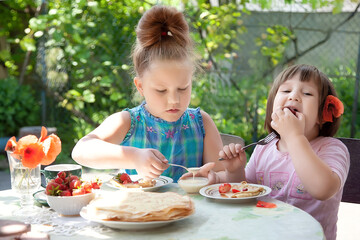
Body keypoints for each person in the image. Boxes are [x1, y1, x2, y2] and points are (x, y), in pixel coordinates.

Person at [188, 64, 350, 240]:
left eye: (307, 93)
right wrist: (234, 171)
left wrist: (295, 136)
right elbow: (246, 193)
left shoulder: (331, 149)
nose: (294, 96)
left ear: (322, 114)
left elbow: (323, 189)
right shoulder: (264, 148)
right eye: (286, 90)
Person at [71, 5, 223, 182]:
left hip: (194, 209)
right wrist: (134, 156)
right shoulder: (129, 122)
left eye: (182, 88)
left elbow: (221, 176)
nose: (174, 100)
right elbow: (80, 150)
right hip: (139, 208)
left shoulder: (201, 123)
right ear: (140, 86)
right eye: (161, 90)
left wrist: (213, 177)